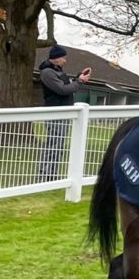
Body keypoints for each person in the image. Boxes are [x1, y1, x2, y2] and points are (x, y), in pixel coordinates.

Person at [37, 45, 92, 181]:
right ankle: (45, 173)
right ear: (55, 58)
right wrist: (79, 82)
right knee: (53, 143)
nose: (65, 61)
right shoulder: (47, 72)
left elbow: (67, 86)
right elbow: (62, 89)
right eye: (63, 57)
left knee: (58, 144)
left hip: (63, 112)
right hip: (55, 112)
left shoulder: (57, 71)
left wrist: (78, 78)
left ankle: (51, 173)